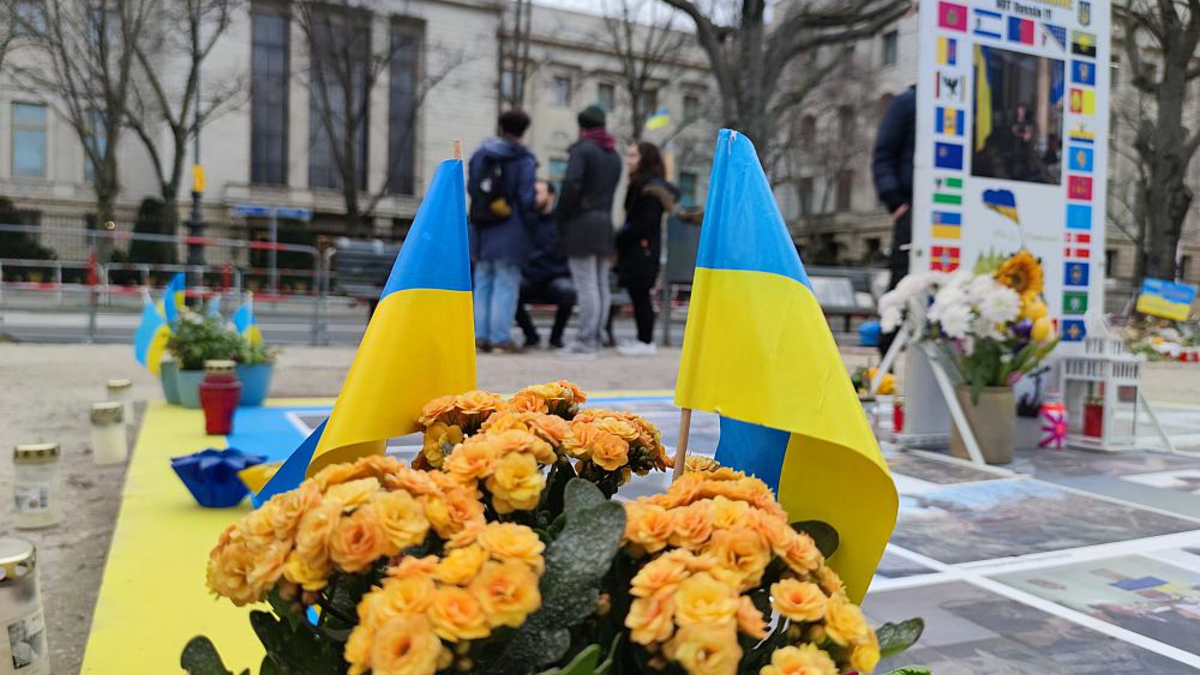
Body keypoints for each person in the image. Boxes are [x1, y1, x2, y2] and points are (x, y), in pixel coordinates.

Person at [467, 110, 538, 353]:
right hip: (511, 228)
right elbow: (527, 197)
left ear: (501, 127)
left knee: (483, 281)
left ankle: (479, 336)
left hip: (482, 228)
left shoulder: (481, 153)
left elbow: (471, 187)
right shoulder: (524, 159)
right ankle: (500, 338)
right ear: (523, 131)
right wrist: (530, 226)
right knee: (506, 283)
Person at [555, 104, 622, 359]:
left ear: (582, 127)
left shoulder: (582, 150)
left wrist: (560, 214)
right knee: (600, 284)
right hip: (605, 224)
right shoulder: (613, 155)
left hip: (581, 224)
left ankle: (586, 340)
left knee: (585, 284)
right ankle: (597, 335)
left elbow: (571, 185)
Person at [615, 141, 677, 356]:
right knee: (639, 294)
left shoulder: (647, 188)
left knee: (641, 294)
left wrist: (622, 237)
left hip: (642, 249)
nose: (628, 160)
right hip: (643, 247)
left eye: (633, 156)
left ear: (644, 159)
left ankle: (646, 340)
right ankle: (643, 339)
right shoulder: (646, 185)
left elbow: (645, 221)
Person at [871, 85, 915, 356]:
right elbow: (883, 154)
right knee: (901, 285)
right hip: (911, 211)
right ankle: (886, 356)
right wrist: (896, 202)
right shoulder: (907, 103)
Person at [514, 180, 575, 349]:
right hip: (530, 277)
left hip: (554, 277)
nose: (533, 197)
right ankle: (530, 335)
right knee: (510, 290)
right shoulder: (525, 221)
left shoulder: (562, 223)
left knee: (568, 292)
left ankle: (556, 338)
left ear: (551, 195)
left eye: (538, 192)